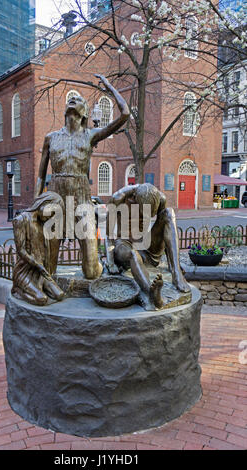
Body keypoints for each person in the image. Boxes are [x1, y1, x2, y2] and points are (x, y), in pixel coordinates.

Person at [35, 74, 130, 279]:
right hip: (55, 199)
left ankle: (104, 265)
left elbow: (125, 114)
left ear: (85, 112)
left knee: (90, 271)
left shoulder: (91, 135)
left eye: (79, 100)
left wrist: (108, 87)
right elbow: (41, 175)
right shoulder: (50, 138)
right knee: (48, 269)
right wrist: (36, 204)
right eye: (71, 99)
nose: (74, 99)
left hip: (82, 200)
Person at [105, 183, 190, 308]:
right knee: (133, 253)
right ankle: (151, 292)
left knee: (169, 213)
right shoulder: (119, 198)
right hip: (124, 245)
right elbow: (108, 235)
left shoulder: (161, 199)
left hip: (146, 248)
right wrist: (110, 262)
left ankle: (176, 273)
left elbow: (166, 231)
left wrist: (173, 264)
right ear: (135, 199)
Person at [11, 192, 65, 306]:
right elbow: (21, 251)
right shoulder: (21, 220)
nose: (50, 216)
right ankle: (18, 289)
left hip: (41, 273)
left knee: (60, 295)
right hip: (26, 270)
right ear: (44, 203)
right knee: (41, 299)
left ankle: (40, 288)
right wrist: (39, 266)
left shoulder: (44, 223)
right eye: (51, 212)